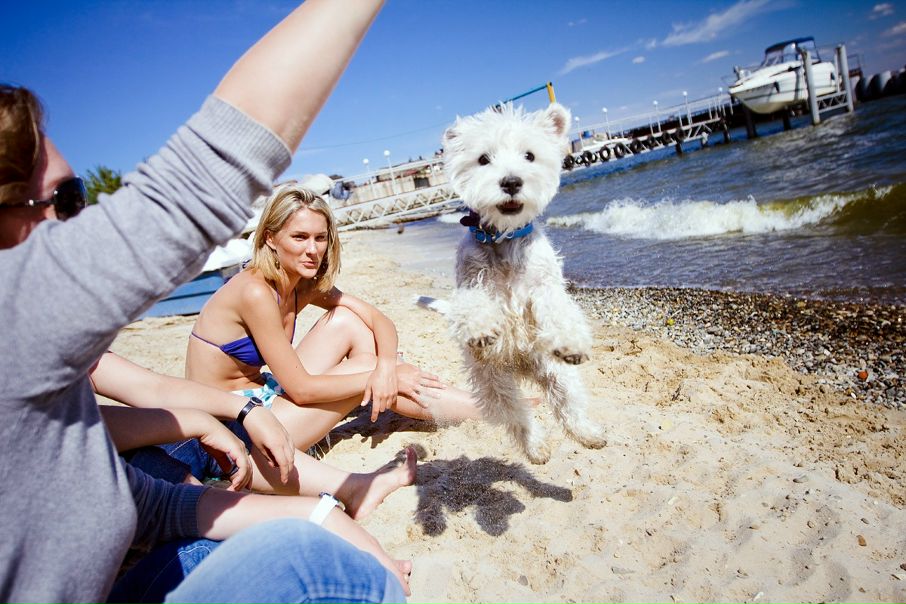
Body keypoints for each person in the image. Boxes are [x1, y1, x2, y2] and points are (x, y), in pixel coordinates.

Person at [0, 0, 410, 602]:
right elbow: (208, 171)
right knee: (330, 571)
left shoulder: (51, 407)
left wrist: (321, 509)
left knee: (313, 544)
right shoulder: (12, 327)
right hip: (216, 443)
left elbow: (159, 501)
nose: (82, 222)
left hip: (179, 487)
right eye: (67, 199)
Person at [185, 183, 482, 454]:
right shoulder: (255, 292)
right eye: (299, 237)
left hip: (261, 395)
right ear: (270, 238)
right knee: (371, 368)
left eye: (320, 238)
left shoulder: (301, 283)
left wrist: (387, 368)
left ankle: (461, 404)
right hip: (233, 431)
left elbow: (377, 319)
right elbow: (301, 391)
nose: (312, 250)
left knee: (347, 320)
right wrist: (380, 375)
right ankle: (484, 411)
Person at [95, 350, 417, 518]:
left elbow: (153, 388)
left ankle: (352, 489)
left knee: (226, 427)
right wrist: (201, 423)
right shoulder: (254, 290)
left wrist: (245, 410)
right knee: (181, 485)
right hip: (92, 483)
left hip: (120, 455)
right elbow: (86, 434)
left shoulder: (74, 346)